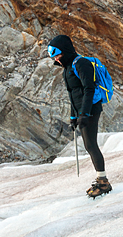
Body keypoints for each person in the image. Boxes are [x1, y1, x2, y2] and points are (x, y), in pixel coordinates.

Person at [47, 35, 112, 199]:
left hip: (90, 109)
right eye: (53, 56)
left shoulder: (81, 63)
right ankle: (101, 179)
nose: (56, 59)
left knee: (91, 145)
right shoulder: (68, 68)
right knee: (89, 145)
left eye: (57, 55)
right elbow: (72, 95)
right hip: (82, 112)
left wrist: (84, 113)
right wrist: (73, 116)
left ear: (65, 50)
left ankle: (103, 182)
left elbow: (89, 89)